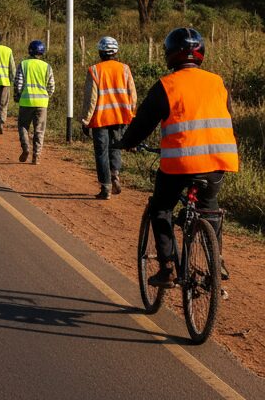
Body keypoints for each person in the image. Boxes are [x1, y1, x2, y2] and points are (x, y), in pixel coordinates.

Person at [120, 27, 238, 286]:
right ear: (200, 55)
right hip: (219, 161)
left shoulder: (166, 86)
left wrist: (127, 142)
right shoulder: (218, 82)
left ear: (170, 55)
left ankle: (168, 267)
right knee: (209, 209)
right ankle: (215, 260)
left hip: (180, 163)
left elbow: (143, 123)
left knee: (160, 208)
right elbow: (228, 116)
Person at [81, 35, 137, 199]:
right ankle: (115, 174)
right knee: (115, 147)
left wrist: (85, 120)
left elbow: (90, 99)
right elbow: (132, 94)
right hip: (120, 117)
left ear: (100, 52)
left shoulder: (95, 70)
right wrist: (131, 114)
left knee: (101, 152)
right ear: (116, 52)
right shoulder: (125, 69)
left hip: (100, 119)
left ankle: (105, 187)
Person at [15, 40, 55, 164]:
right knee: (39, 130)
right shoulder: (47, 66)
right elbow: (51, 86)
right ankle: (36, 156)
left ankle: (26, 147)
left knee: (23, 126)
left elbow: (18, 84)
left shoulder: (23, 64)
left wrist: (17, 96)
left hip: (26, 101)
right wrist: (46, 96)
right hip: (42, 103)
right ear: (42, 52)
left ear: (30, 51)